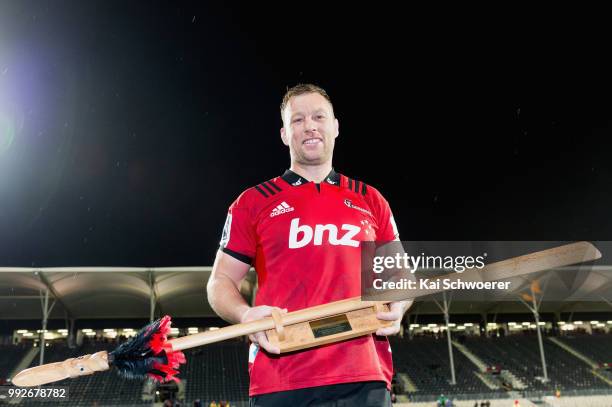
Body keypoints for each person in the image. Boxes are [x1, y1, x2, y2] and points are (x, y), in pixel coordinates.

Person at [207, 83, 411, 406]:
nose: (310, 126)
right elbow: (219, 283)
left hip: (363, 377)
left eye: (318, 116)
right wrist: (245, 315)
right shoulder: (252, 203)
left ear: (336, 127)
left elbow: (401, 275)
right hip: (280, 376)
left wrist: (398, 304)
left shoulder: (371, 199)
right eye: (297, 120)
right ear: (285, 134)